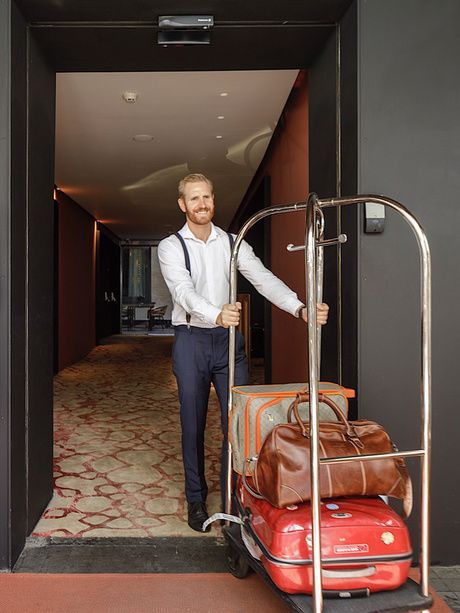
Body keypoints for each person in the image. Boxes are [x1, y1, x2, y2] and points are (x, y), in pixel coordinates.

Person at [158, 173, 329, 533]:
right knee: (193, 424)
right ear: (182, 204)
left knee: (237, 425)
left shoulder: (232, 242)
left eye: (207, 197)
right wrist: (215, 312)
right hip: (191, 340)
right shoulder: (171, 246)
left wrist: (299, 308)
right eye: (194, 199)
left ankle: (237, 496)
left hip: (228, 344)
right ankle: (195, 497)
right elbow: (183, 292)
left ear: (213, 200)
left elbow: (263, 278)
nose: (202, 204)